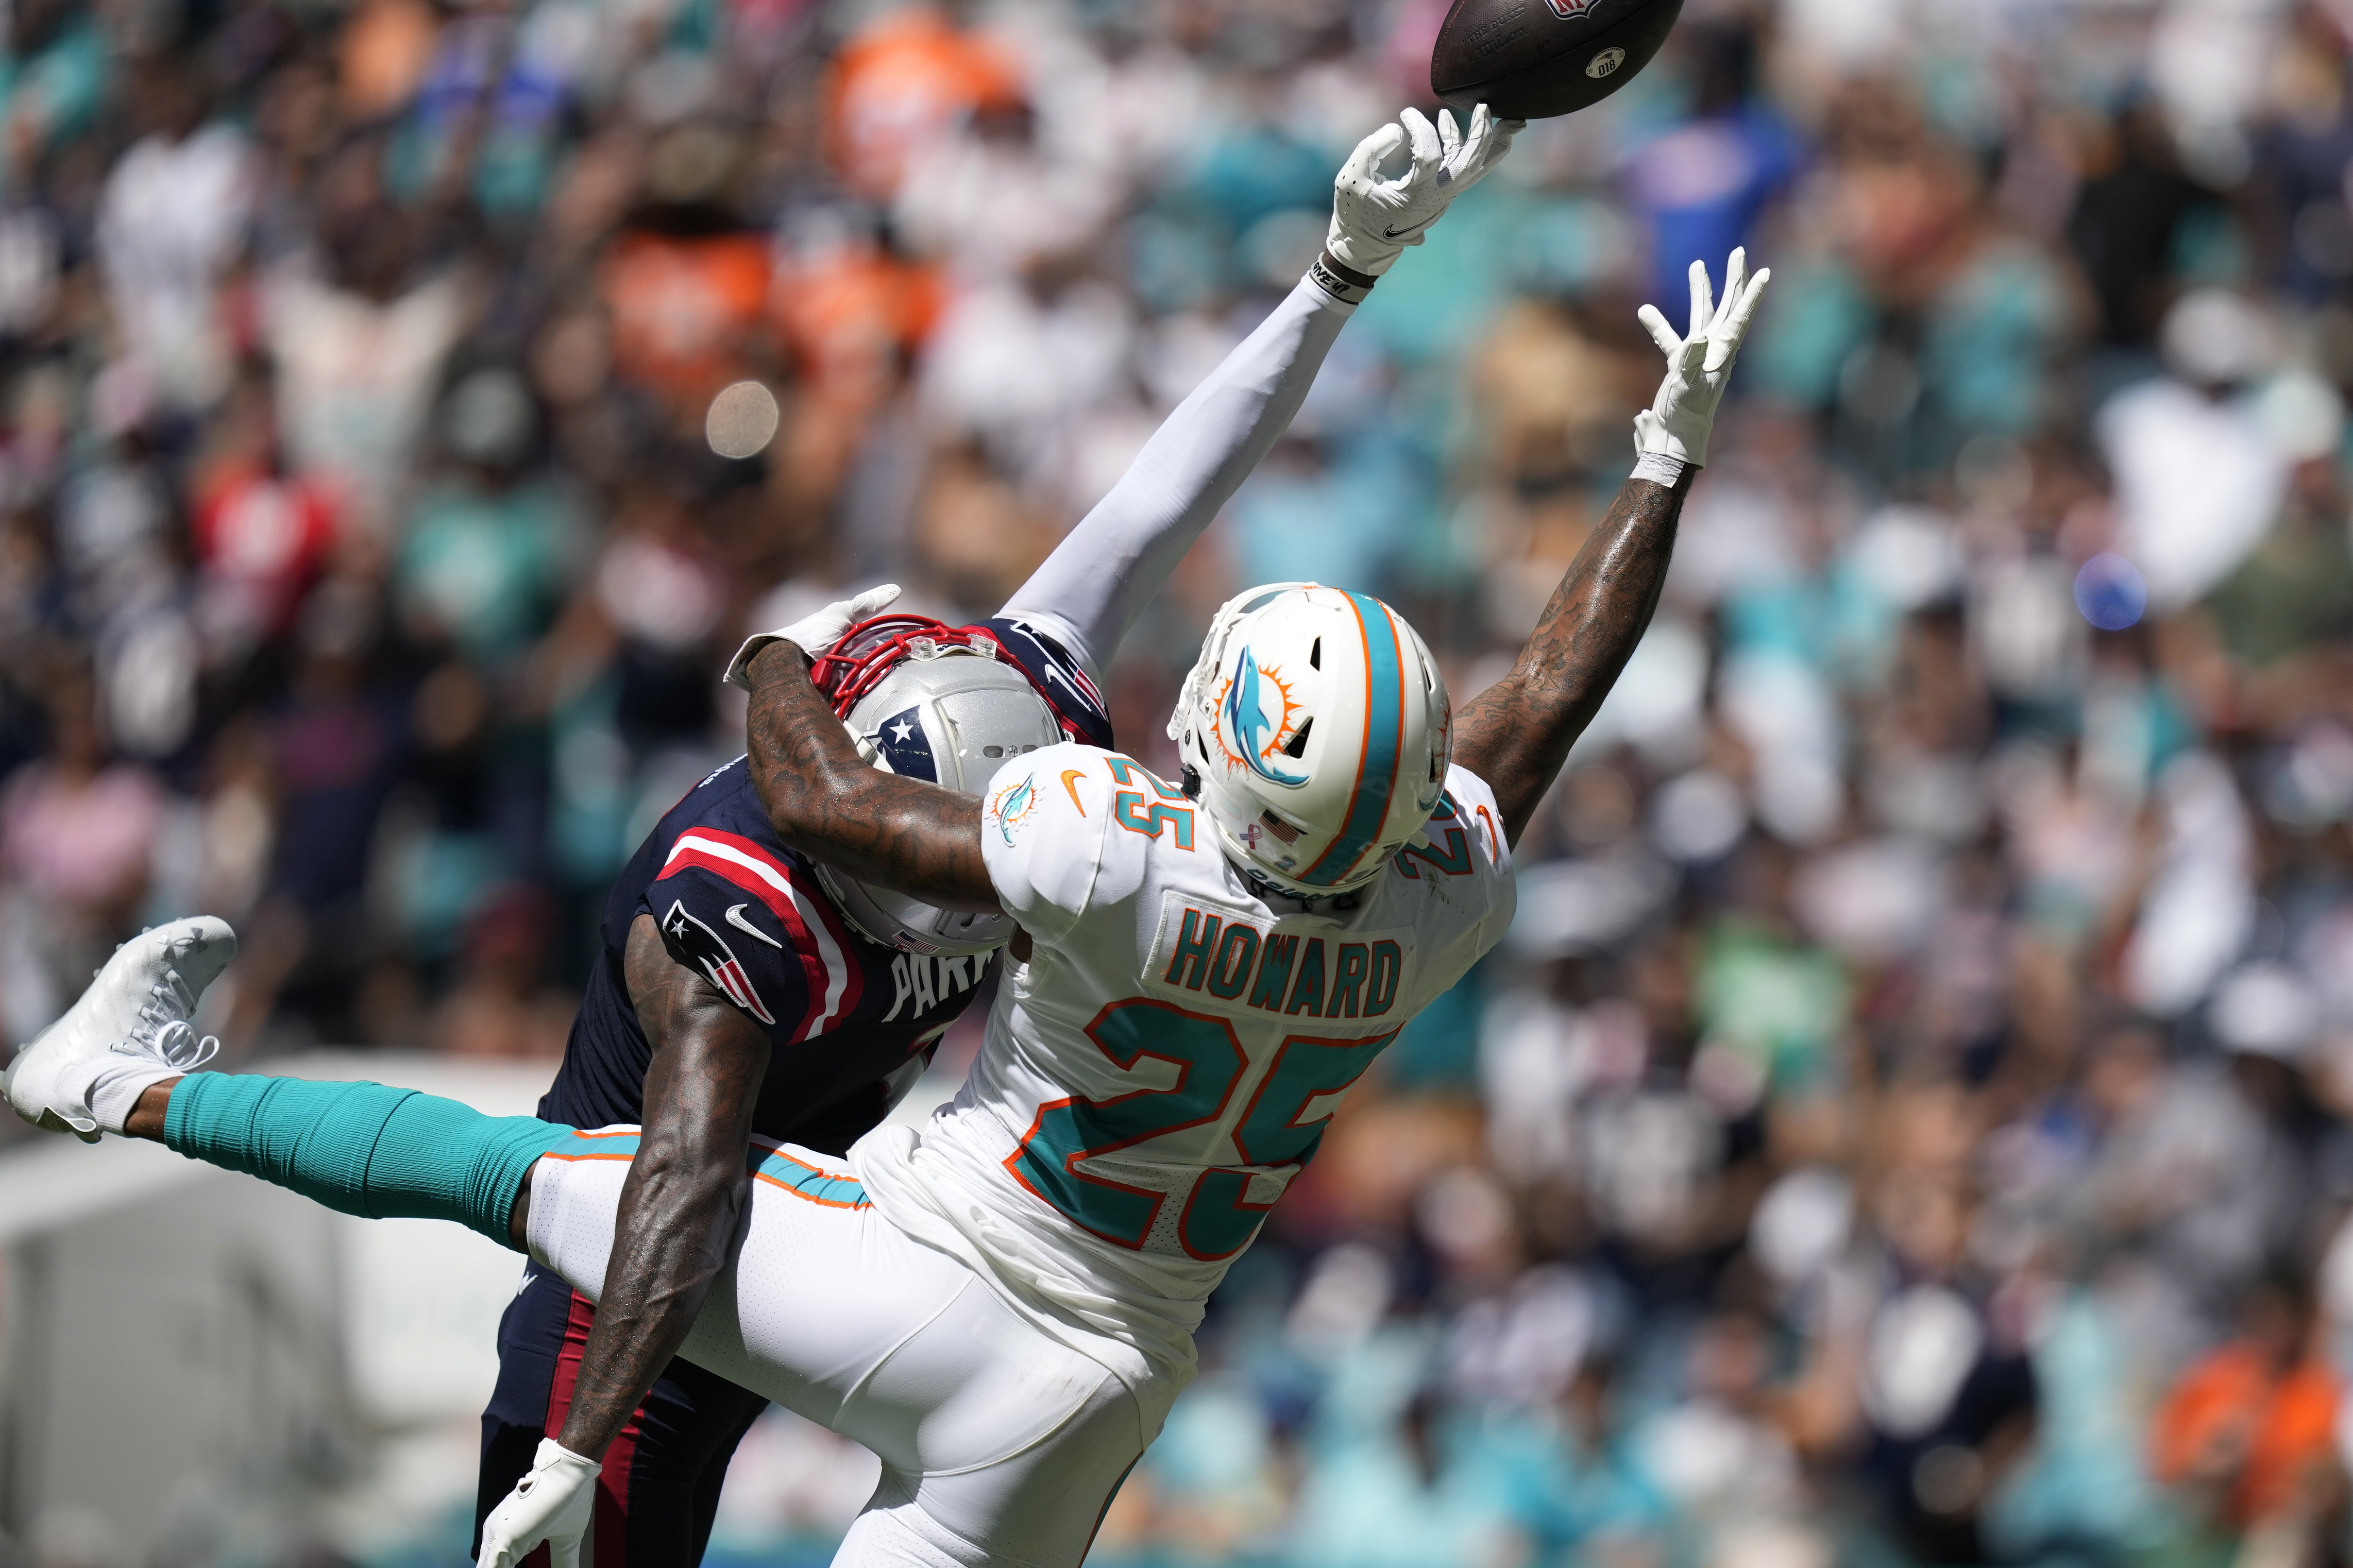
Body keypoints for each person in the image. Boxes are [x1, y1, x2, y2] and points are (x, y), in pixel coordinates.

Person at [8, 105, 1522, 1568]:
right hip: (647, 1296)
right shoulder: (737, 920)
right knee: (524, 1240)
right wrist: (578, 1444)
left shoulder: (1025, 726)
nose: (938, 891)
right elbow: (679, 1179)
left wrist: (1335, 280)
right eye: (903, 858)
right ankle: (129, 1080)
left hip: (843, 1252)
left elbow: (1162, 494)